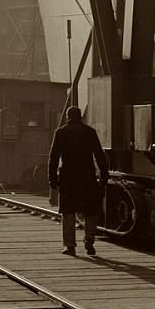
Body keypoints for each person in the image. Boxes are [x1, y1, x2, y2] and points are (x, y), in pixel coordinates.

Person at [47, 105, 109, 256]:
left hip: (68, 177)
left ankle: (69, 246)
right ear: (80, 116)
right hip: (87, 175)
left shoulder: (61, 132)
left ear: (68, 117)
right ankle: (89, 241)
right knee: (90, 210)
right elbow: (99, 155)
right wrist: (104, 176)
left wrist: (52, 179)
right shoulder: (89, 132)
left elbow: (53, 157)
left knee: (68, 211)